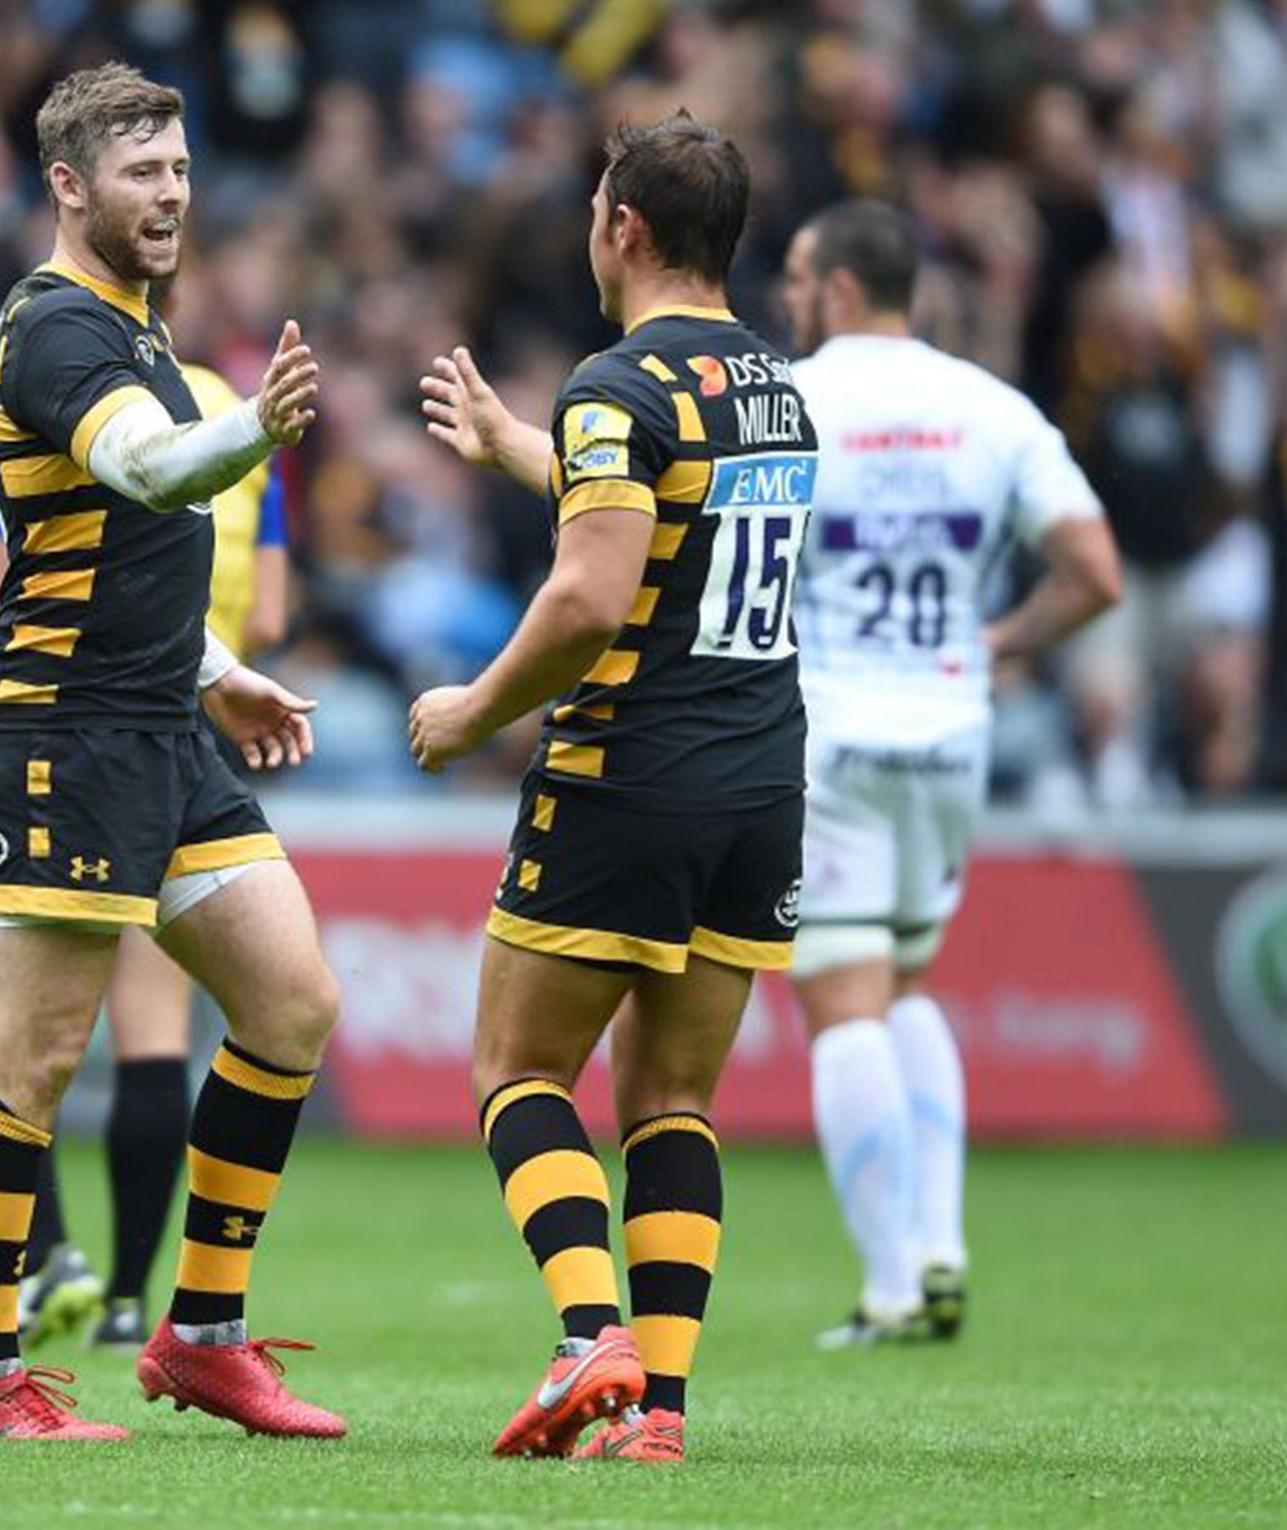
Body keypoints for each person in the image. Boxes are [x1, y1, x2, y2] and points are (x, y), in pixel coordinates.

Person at [0, 61, 344, 1445]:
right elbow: (150, 476)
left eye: (178, 170)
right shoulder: (52, 331)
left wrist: (220, 673)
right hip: (59, 731)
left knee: (290, 1004)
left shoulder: (139, 329)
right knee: (35, 1057)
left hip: (164, 725)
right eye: (141, 174)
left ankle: (204, 1336)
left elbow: (120, 559)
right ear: (68, 186)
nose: (170, 196)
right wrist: (255, 429)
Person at [415, 113, 814, 1465]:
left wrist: (475, 708)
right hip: (759, 787)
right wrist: (515, 445)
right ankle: (659, 1417)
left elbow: (592, 593)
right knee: (672, 1105)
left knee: (520, 1071)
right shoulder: (775, 388)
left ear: (623, 228)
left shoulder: (619, 382)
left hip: (628, 773)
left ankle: (593, 1339)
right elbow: (662, 507)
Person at [777, 201, 1121, 1346]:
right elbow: (1094, 572)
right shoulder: (990, 409)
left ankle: (887, 1289)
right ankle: (939, 1250)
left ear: (832, 290)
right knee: (906, 982)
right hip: (950, 729)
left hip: (829, 731)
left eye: (791, 277)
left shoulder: (796, 403)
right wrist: (999, 641)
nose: (783, 298)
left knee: (839, 1004)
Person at [0, 383, 289, 1353]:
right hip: (106, 718)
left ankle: (79, 1273)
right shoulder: (203, 391)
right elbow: (273, 595)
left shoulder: (34, 411)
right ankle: (90, 1314)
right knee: (133, 1038)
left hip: (118, 717)